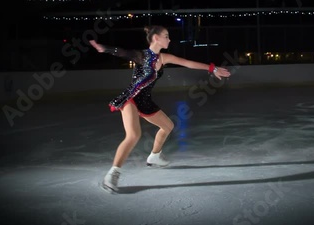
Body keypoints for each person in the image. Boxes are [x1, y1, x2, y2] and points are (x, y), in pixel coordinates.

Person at [88, 25, 231, 193]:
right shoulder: (141, 56)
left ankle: (154, 156)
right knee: (134, 135)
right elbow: (122, 52)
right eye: (166, 36)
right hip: (131, 98)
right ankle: (112, 175)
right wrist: (103, 48)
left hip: (145, 101)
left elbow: (187, 63)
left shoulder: (163, 57)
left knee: (168, 126)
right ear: (156, 38)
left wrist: (212, 68)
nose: (169, 39)